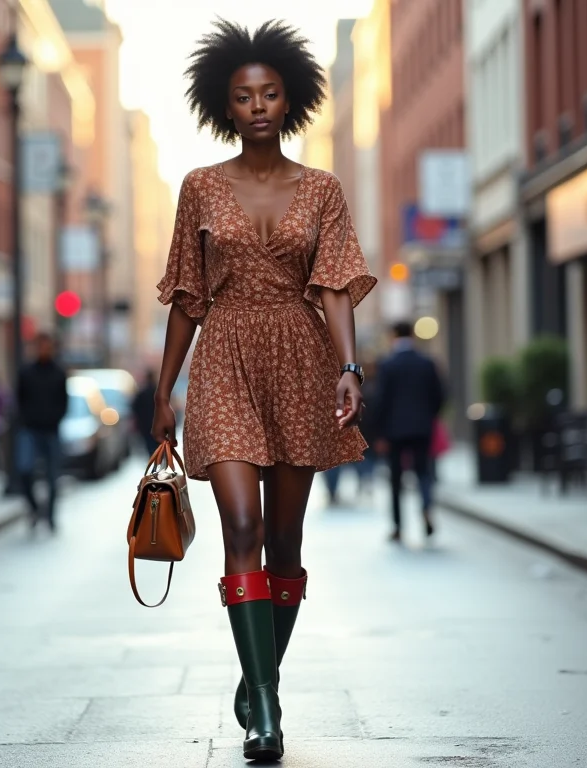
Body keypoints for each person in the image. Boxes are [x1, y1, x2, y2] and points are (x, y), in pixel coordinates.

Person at [151, 20, 376, 762]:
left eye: (270, 93)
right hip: (223, 359)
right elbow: (187, 295)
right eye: (243, 95)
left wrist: (350, 367)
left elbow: (337, 287)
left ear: (291, 100)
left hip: (301, 360)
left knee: (285, 539)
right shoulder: (199, 188)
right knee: (241, 528)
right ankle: (267, 709)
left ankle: (260, 675)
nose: (257, 106)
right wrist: (165, 387)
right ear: (224, 103)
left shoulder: (322, 189)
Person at [373, 321, 445, 543]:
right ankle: (426, 509)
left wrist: (380, 433)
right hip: (422, 428)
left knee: (396, 480)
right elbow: (440, 395)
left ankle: (398, 527)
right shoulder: (426, 362)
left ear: (394, 335)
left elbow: (381, 401)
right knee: (424, 473)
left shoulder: (387, 364)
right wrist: (429, 417)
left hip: (394, 430)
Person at [16, 332, 67, 532]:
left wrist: (55, 418)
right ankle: (35, 509)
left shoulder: (59, 373)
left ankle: (51, 516)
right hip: (30, 430)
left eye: (47, 346)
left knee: (53, 477)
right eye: (41, 346)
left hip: (52, 431)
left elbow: (64, 402)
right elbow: (19, 399)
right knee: (24, 470)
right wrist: (26, 418)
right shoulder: (26, 372)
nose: (44, 349)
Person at [132, 370, 159, 456]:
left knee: (150, 446)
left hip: (145, 425)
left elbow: (135, 408)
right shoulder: (160, 392)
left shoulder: (142, 393)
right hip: (158, 425)